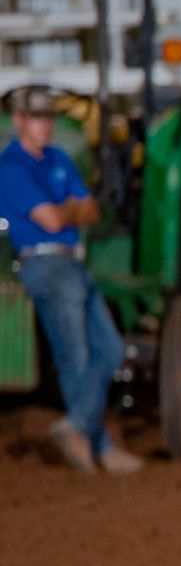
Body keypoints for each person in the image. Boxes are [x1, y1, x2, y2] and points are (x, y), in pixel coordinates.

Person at [0, 86, 142, 474]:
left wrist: (66, 213)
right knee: (75, 357)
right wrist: (68, 210)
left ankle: (79, 428)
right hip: (44, 265)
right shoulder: (10, 167)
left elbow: (90, 210)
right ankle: (100, 445)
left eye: (49, 119)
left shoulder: (58, 158)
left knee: (111, 351)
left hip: (74, 263)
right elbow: (52, 220)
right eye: (37, 119)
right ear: (19, 121)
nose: (45, 126)